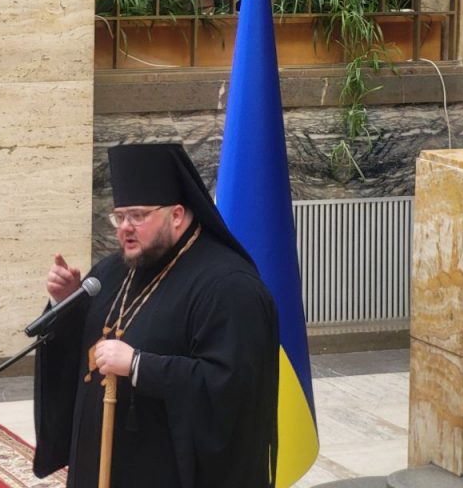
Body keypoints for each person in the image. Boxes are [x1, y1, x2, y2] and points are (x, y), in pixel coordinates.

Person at [33, 143, 279, 488]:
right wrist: (67, 304)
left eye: (138, 216)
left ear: (176, 215)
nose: (124, 228)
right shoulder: (112, 272)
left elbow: (233, 389)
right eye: (119, 217)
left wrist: (139, 366)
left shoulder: (228, 286)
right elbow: (85, 355)